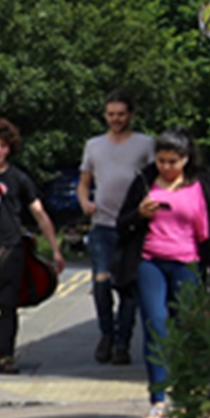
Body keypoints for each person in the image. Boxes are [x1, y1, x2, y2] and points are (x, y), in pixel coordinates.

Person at [114, 129, 210, 418]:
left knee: (187, 326)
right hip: (150, 260)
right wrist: (139, 213)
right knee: (156, 325)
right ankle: (158, 399)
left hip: (187, 261)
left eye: (172, 161)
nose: (166, 167)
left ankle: (188, 394)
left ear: (186, 159)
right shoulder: (144, 181)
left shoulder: (200, 184)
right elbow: (121, 223)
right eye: (161, 161)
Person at [0, 118, 66, 375]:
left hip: (12, 247)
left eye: (3, 146)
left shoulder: (19, 178)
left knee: (7, 303)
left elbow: (39, 213)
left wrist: (55, 249)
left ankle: (6, 355)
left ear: (10, 149)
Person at [77, 89, 154, 365]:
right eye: (111, 114)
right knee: (102, 280)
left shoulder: (146, 145)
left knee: (128, 286)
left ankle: (123, 342)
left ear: (131, 115)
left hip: (133, 225)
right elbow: (84, 182)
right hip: (102, 224)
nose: (116, 119)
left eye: (121, 114)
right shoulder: (94, 145)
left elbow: (155, 182)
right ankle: (106, 334)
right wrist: (85, 201)